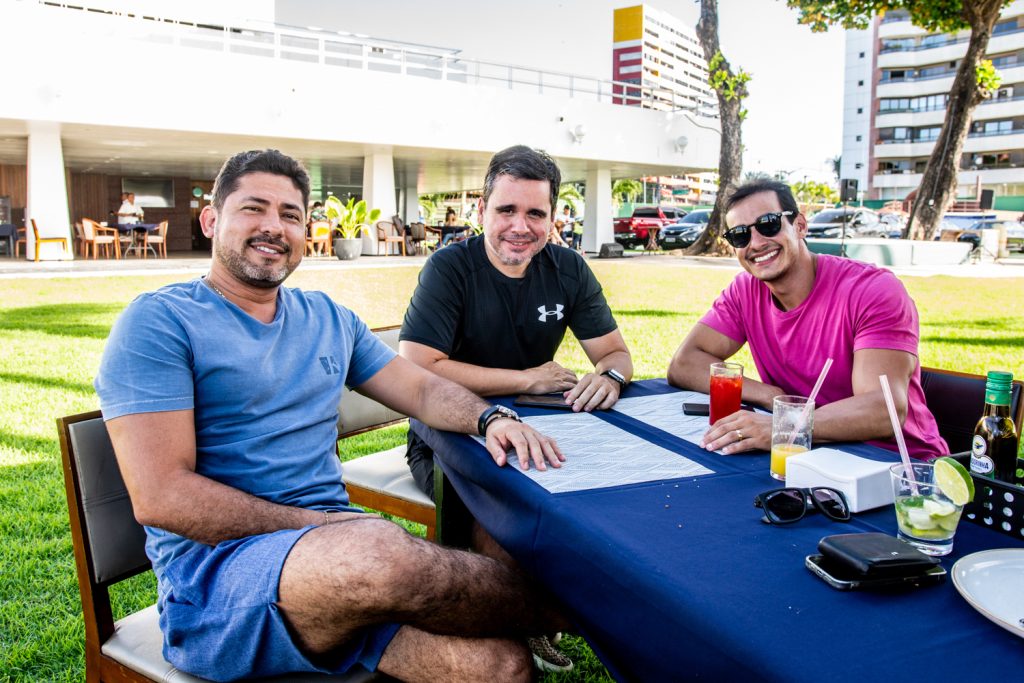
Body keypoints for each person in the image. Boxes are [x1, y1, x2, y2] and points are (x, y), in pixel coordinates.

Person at [94, 149, 569, 682]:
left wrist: (491, 419)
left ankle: (564, 609)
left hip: (338, 569)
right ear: (211, 220)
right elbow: (163, 498)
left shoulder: (325, 317)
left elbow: (421, 388)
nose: (273, 227)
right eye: (253, 208)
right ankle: (584, 611)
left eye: (291, 215)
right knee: (379, 554)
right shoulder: (159, 323)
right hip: (215, 585)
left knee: (499, 667)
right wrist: (324, 526)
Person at [400, 144, 633, 499]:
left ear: (552, 218)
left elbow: (615, 353)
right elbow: (417, 367)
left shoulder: (569, 268)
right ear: (482, 210)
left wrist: (610, 378)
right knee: (508, 511)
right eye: (506, 210)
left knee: (603, 489)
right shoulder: (448, 268)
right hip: (448, 432)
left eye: (535, 214)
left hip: (534, 425)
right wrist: (527, 380)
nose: (520, 227)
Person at [666, 179, 947, 459]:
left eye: (769, 224)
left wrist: (784, 424)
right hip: (808, 454)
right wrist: (769, 396)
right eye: (740, 235)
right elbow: (685, 363)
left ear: (800, 225)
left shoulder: (871, 290)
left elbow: (883, 410)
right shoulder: (745, 291)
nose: (756, 243)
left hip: (899, 466)